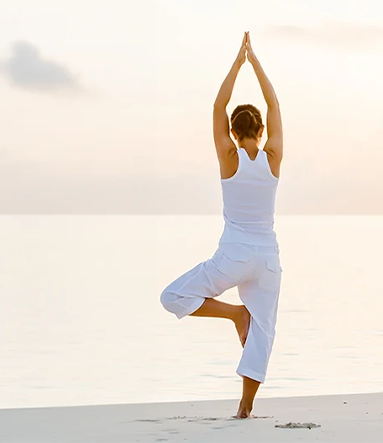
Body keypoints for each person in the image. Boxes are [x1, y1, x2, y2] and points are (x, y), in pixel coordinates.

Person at [160, 31, 283, 419]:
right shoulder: (273, 156)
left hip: (232, 255)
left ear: (233, 132)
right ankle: (245, 408)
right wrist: (256, 62)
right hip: (266, 258)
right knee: (263, 332)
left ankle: (233, 314)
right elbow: (274, 103)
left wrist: (238, 60)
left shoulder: (229, 156)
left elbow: (218, 106)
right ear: (261, 131)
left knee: (173, 297)